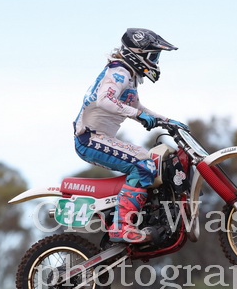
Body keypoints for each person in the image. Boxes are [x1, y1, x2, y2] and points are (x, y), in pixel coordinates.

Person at [74, 28, 188, 243]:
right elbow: (104, 100)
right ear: (138, 53)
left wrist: (168, 120)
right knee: (144, 164)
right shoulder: (118, 72)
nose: (155, 61)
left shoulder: (129, 76)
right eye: (153, 56)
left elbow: (138, 107)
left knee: (151, 160)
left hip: (100, 138)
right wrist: (137, 115)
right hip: (89, 138)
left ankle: (143, 217)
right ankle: (121, 227)